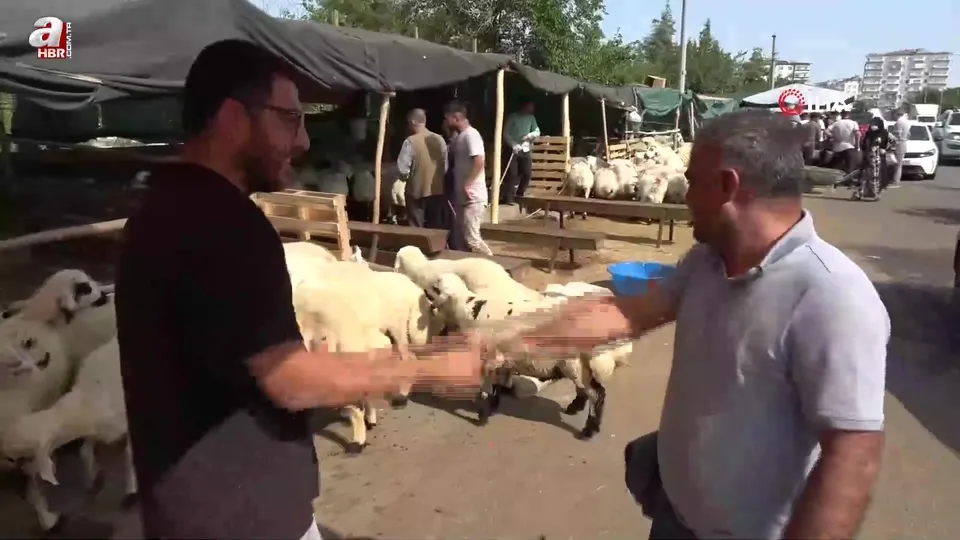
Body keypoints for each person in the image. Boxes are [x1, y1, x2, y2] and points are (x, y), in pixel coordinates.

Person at [115, 40, 483, 540]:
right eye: (290, 118)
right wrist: (429, 364)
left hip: (186, 505)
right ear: (232, 118)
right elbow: (290, 382)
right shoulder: (229, 226)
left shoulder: (159, 210)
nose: (305, 140)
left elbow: (220, 356)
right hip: (245, 517)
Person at [519, 109, 888, 540]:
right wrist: (502, 342)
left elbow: (853, 455)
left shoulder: (832, 297)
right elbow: (629, 312)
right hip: (677, 516)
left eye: (693, 182)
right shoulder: (709, 261)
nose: (685, 196)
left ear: (728, 186)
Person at [444, 100, 493, 256]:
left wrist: (467, 184)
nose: (446, 122)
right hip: (463, 196)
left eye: (447, 119)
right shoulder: (460, 137)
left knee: (472, 239)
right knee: (462, 238)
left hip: (473, 195)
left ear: (455, 118)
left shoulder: (472, 135)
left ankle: (493, 264)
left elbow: (479, 161)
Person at [396, 108, 448, 228]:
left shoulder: (410, 142)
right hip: (437, 191)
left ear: (413, 121)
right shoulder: (439, 140)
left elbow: (402, 170)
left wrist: (406, 179)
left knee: (416, 228)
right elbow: (445, 166)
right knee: (435, 227)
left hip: (416, 192)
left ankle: (419, 246)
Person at [501, 100, 540, 205]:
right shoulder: (512, 117)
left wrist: (529, 135)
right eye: (530, 106)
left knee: (527, 173)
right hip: (512, 149)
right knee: (512, 174)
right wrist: (513, 144)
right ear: (524, 106)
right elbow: (506, 133)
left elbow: (537, 131)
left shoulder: (531, 118)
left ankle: (519, 194)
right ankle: (508, 198)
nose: (532, 109)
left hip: (525, 148)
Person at [855, 116, 895, 201]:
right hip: (868, 158)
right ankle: (861, 193)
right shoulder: (869, 133)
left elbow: (894, 141)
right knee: (864, 176)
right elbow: (863, 144)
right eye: (872, 124)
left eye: (875, 124)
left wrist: (885, 149)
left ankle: (875, 194)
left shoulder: (885, 133)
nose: (873, 126)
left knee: (876, 176)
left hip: (878, 159)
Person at [889, 107, 911, 187]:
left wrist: (891, 138)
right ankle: (895, 180)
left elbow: (897, 135)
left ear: (896, 114)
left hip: (899, 143)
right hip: (903, 143)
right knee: (898, 164)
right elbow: (909, 134)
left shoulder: (899, 123)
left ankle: (895, 180)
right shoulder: (906, 122)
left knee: (897, 164)